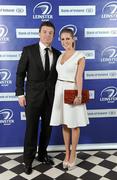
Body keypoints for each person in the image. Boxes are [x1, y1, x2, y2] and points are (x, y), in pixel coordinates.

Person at [16, 21, 61, 174]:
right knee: (31, 130)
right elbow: (20, 73)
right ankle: (28, 161)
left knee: (47, 130)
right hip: (33, 98)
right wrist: (20, 93)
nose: (47, 35)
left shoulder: (57, 54)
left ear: (54, 36)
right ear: (39, 33)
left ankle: (42, 155)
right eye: (45, 32)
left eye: (51, 33)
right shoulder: (28, 50)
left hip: (51, 99)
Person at [50, 28, 89, 170]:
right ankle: (66, 153)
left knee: (74, 124)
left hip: (72, 91)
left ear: (73, 39)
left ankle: (73, 155)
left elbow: (79, 77)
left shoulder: (80, 56)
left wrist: (79, 94)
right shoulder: (60, 56)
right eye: (62, 39)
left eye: (68, 38)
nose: (65, 41)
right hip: (59, 90)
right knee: (64, 124)